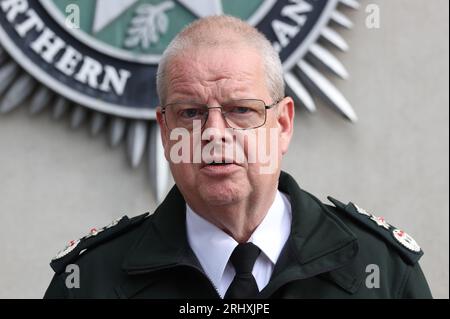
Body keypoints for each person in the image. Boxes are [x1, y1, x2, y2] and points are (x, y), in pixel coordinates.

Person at [44, 16, 432, 299]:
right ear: (166, 132)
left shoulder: (380, 271)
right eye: (191, 113)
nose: (214, 132)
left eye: (241, 110)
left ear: (282, 125)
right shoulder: (88, 281)